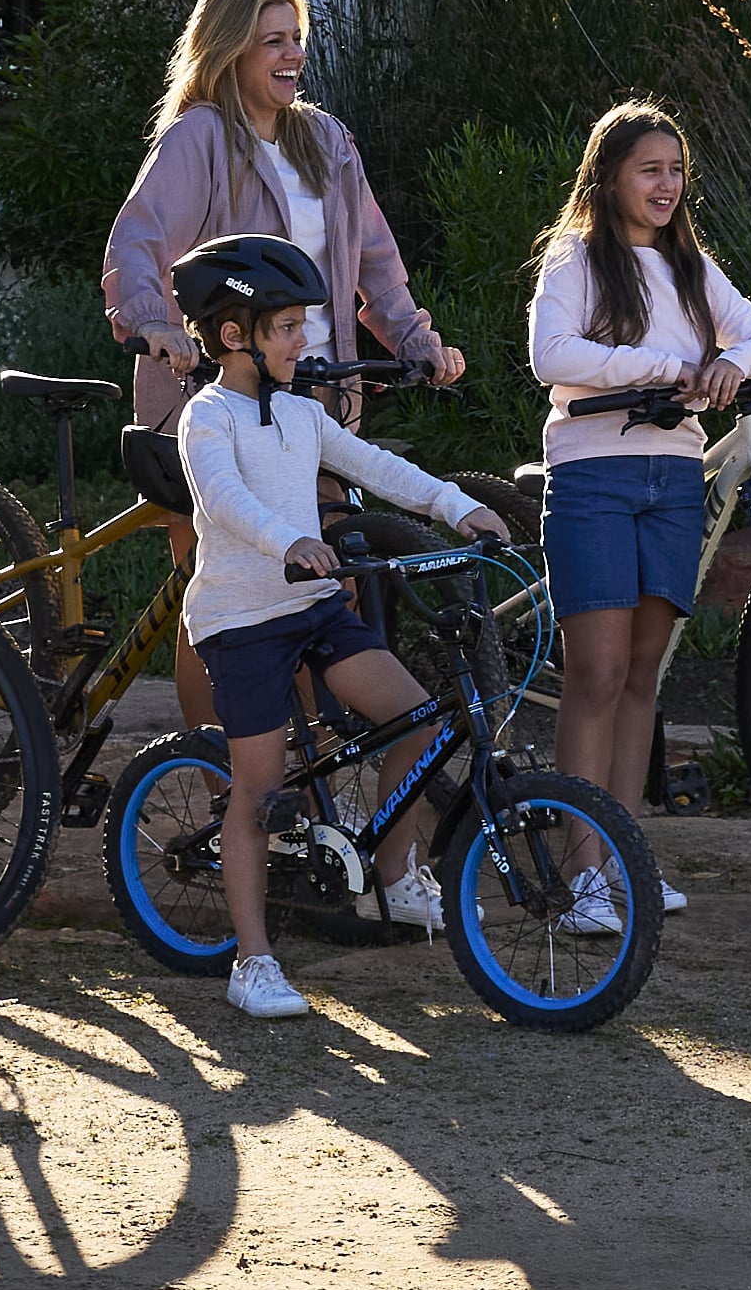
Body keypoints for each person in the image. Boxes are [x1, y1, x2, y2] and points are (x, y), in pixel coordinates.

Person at [101, 0, 466, 720]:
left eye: (296, 39)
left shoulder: (326, 141)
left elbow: (376, 262)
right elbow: (137, 242)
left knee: (326, 589)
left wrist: (416, 340)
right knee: (229, 601)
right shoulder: (198, 138)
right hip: (221, 397)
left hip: (318, 397)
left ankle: (311, 784)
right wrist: (152, 320)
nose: (292, 54)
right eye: (273, 40)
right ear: (229, 52)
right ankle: (221, 782)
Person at [170, 230, 512, 1022]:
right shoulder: (207, 417)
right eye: (287, 325)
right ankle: (252, 959)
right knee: (257, 789)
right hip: (244, 620)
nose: (304, 339)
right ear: (235, 334)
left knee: (421, 719)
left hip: (312, 605)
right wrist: (285, 538)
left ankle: (392, 876)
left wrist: (459, 507)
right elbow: (222, 498)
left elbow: (383, 470)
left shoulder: (301, 415)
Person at [523, 99, 751, 934]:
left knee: (643, 675)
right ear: (609, 178)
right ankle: (582, 874)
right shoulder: (574, 258)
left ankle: (624, 856)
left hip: (672, 477)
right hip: (594, 473)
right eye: (650, 169)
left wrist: (733, 364)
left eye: (676, 170)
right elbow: (550, 355)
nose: (667, 184)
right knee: (595, 671)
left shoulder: (692, 268)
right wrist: (673, 364)